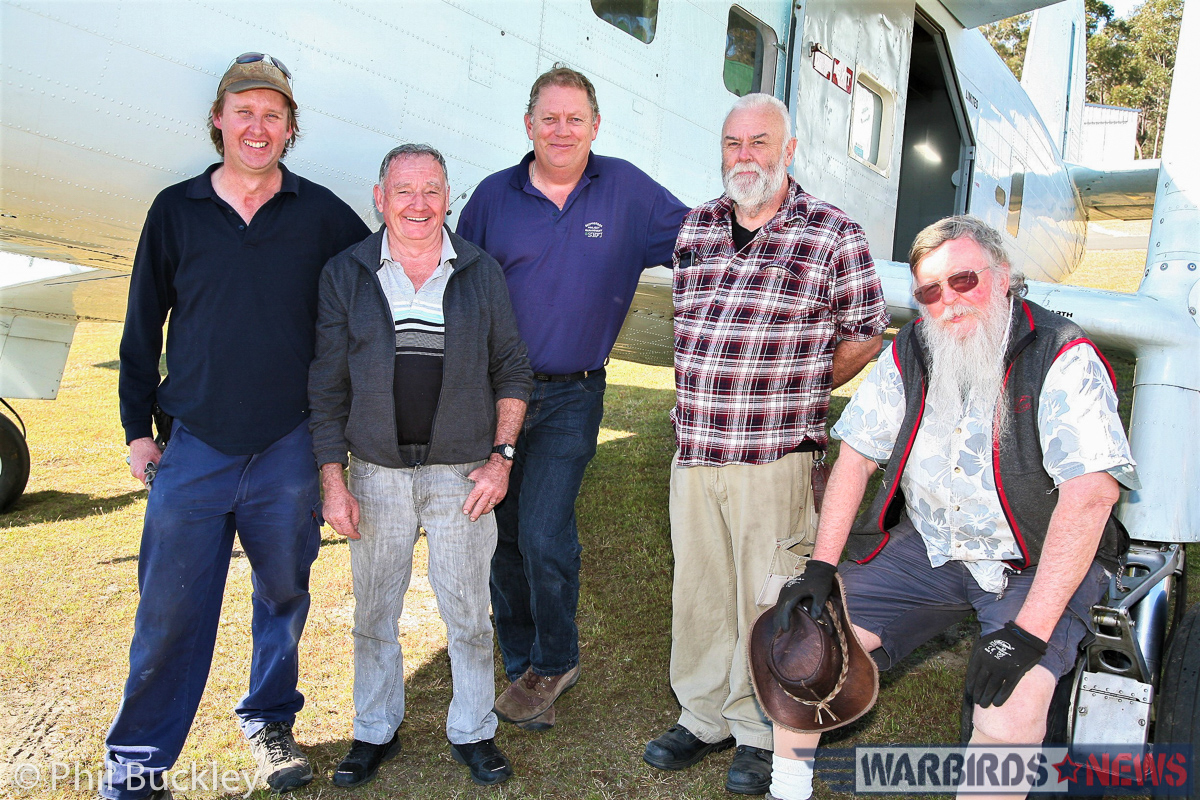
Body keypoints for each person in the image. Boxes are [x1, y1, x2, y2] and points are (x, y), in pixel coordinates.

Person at [764, 215, 1136, 800]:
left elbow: (1091, 498)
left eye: (964, 280)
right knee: (801, 643)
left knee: (1008, 712)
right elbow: (855, 458)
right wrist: (820, 569)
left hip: (1033, 559)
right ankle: (787, 790)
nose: (949, 303)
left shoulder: (1063, 355)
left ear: (1005, 275)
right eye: (930, 292)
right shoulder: (910, 351)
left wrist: (1028, 635)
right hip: (932, 547)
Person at [108, 53, 370, 800]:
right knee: (167, 613)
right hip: (194, 446)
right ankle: (136, 764)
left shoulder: (321, 214)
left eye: (274, 115)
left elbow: (375, 285)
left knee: (284, 596)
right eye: (244, 111)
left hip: (287, 446)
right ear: (219, 119)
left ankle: (269, 720)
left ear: (290, 130)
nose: (258, 127)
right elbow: (139, 327)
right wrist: (137, 429)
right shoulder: (176, 209)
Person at [643, 92, 888, 796]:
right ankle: (702, 714)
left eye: (758, 142)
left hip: (777, 454)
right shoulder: (696, 228)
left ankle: (758, 727)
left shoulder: (832, 231)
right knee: (699, 589)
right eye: (731, 143)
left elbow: (866, 332)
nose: (743, 156)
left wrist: (803, 388)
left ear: (788, 150)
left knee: (767, 595)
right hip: (696, 452)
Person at [455, 64, 689, 730]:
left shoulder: (628, 191)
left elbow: (701, 244)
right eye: (549, 118)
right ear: (528, 124)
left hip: (572, 394)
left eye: (575, 119)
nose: (562, 131)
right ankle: (520, 654)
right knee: (499, 532)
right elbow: (462, 292)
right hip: (495, 392)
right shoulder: (492, 199)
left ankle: (555, 660)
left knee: (543, 530)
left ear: (595, 126)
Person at [308, 143, 532, 788]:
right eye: (403, 190)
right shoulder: (345, 274)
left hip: (461, 474)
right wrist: (334, 480)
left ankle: (473, 730)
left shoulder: (480, 272)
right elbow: (326, 388)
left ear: (448, 198)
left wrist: (501, 459)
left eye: (432, 190)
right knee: (374, 613)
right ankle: (373, 728)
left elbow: (513, 370)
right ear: (379, 198)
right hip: (375, 473)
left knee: (467, 610)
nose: (418, 204)